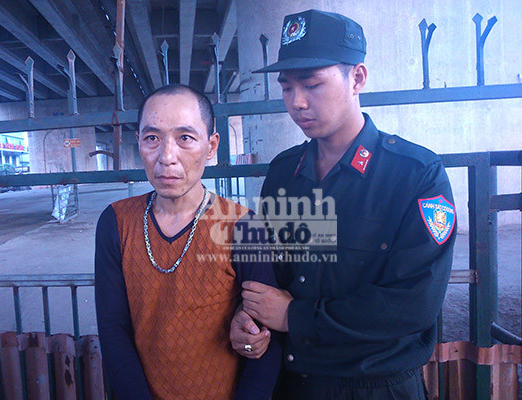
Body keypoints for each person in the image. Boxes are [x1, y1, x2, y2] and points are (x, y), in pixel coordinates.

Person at [230, 9, 456, 400]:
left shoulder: (415, 175)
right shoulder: (284, 173)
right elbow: (270, 273)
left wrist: (294, 316)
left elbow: (413, 303)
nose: (297, 102)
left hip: (377, 387)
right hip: (293, 386)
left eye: (312, 84)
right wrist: (248, 317)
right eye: (287, 87)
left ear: (358, 78)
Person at [95, 84, 281, 400]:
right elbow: (113, 330)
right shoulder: (116, 222)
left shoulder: (241, 225)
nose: (167, 157)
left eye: (185, 138)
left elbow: (265, 336)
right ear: (139, 142)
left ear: (211, 146)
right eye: (152, 138)